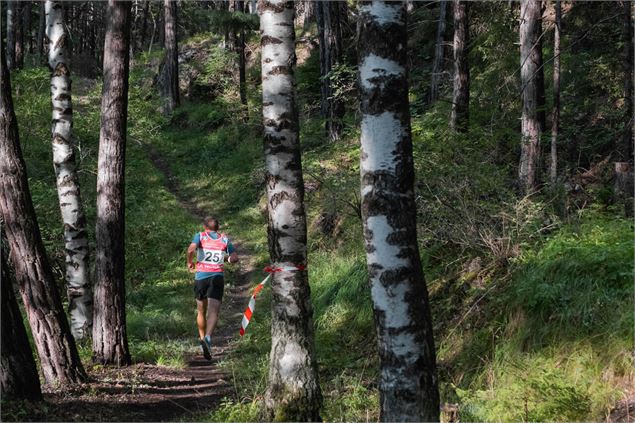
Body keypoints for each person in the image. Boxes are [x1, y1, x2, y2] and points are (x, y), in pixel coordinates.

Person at [187, 217, 239, 360]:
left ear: (205, 227)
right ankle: (208, 338)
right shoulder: (224, 239)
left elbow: (191, 249)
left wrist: (190, 262)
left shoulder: (200, 236)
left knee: (201, 310)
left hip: (201, 278)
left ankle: (202, 338)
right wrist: (227, 259)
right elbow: (234, 258)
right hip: (217, 277)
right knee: (214, 310)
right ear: (218, 227)